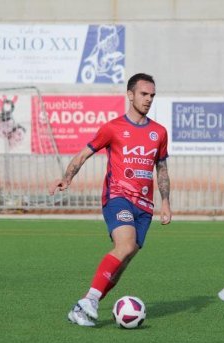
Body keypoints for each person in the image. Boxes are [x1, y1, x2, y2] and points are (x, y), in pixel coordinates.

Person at [49, 73, 172, 327]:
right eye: (143, 94)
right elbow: (84, 154)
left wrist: (166, 202)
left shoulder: (159, 132)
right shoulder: (113, 128)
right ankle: (89, 302)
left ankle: (83, 306)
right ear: (130, 95)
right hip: (117, 197)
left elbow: (161, 169)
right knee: (124, 245)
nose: (148, 99)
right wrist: (67, 178)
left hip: (145, 207)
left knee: (123, 261)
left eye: (152, 95)